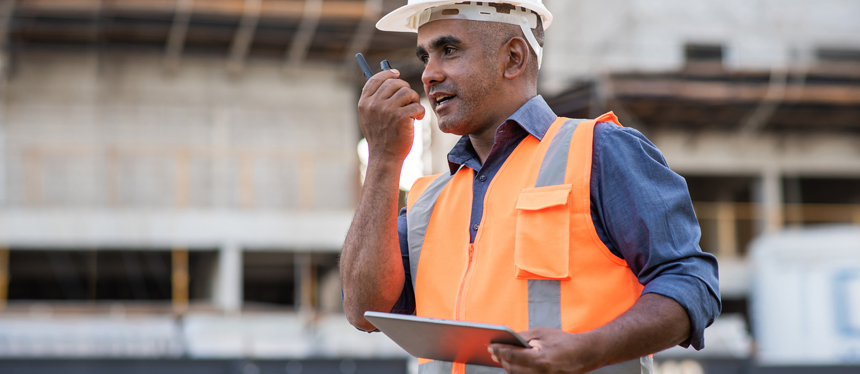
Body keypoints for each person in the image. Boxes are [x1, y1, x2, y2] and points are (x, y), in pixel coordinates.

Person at [339, 1, 721, 373]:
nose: (428, 75)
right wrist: (384, 160)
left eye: (449, 50)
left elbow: (692, 283)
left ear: (514, 58)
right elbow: (363, 310)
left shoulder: (599, 151)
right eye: (425, 57)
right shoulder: (427, 203)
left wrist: (589, 350)